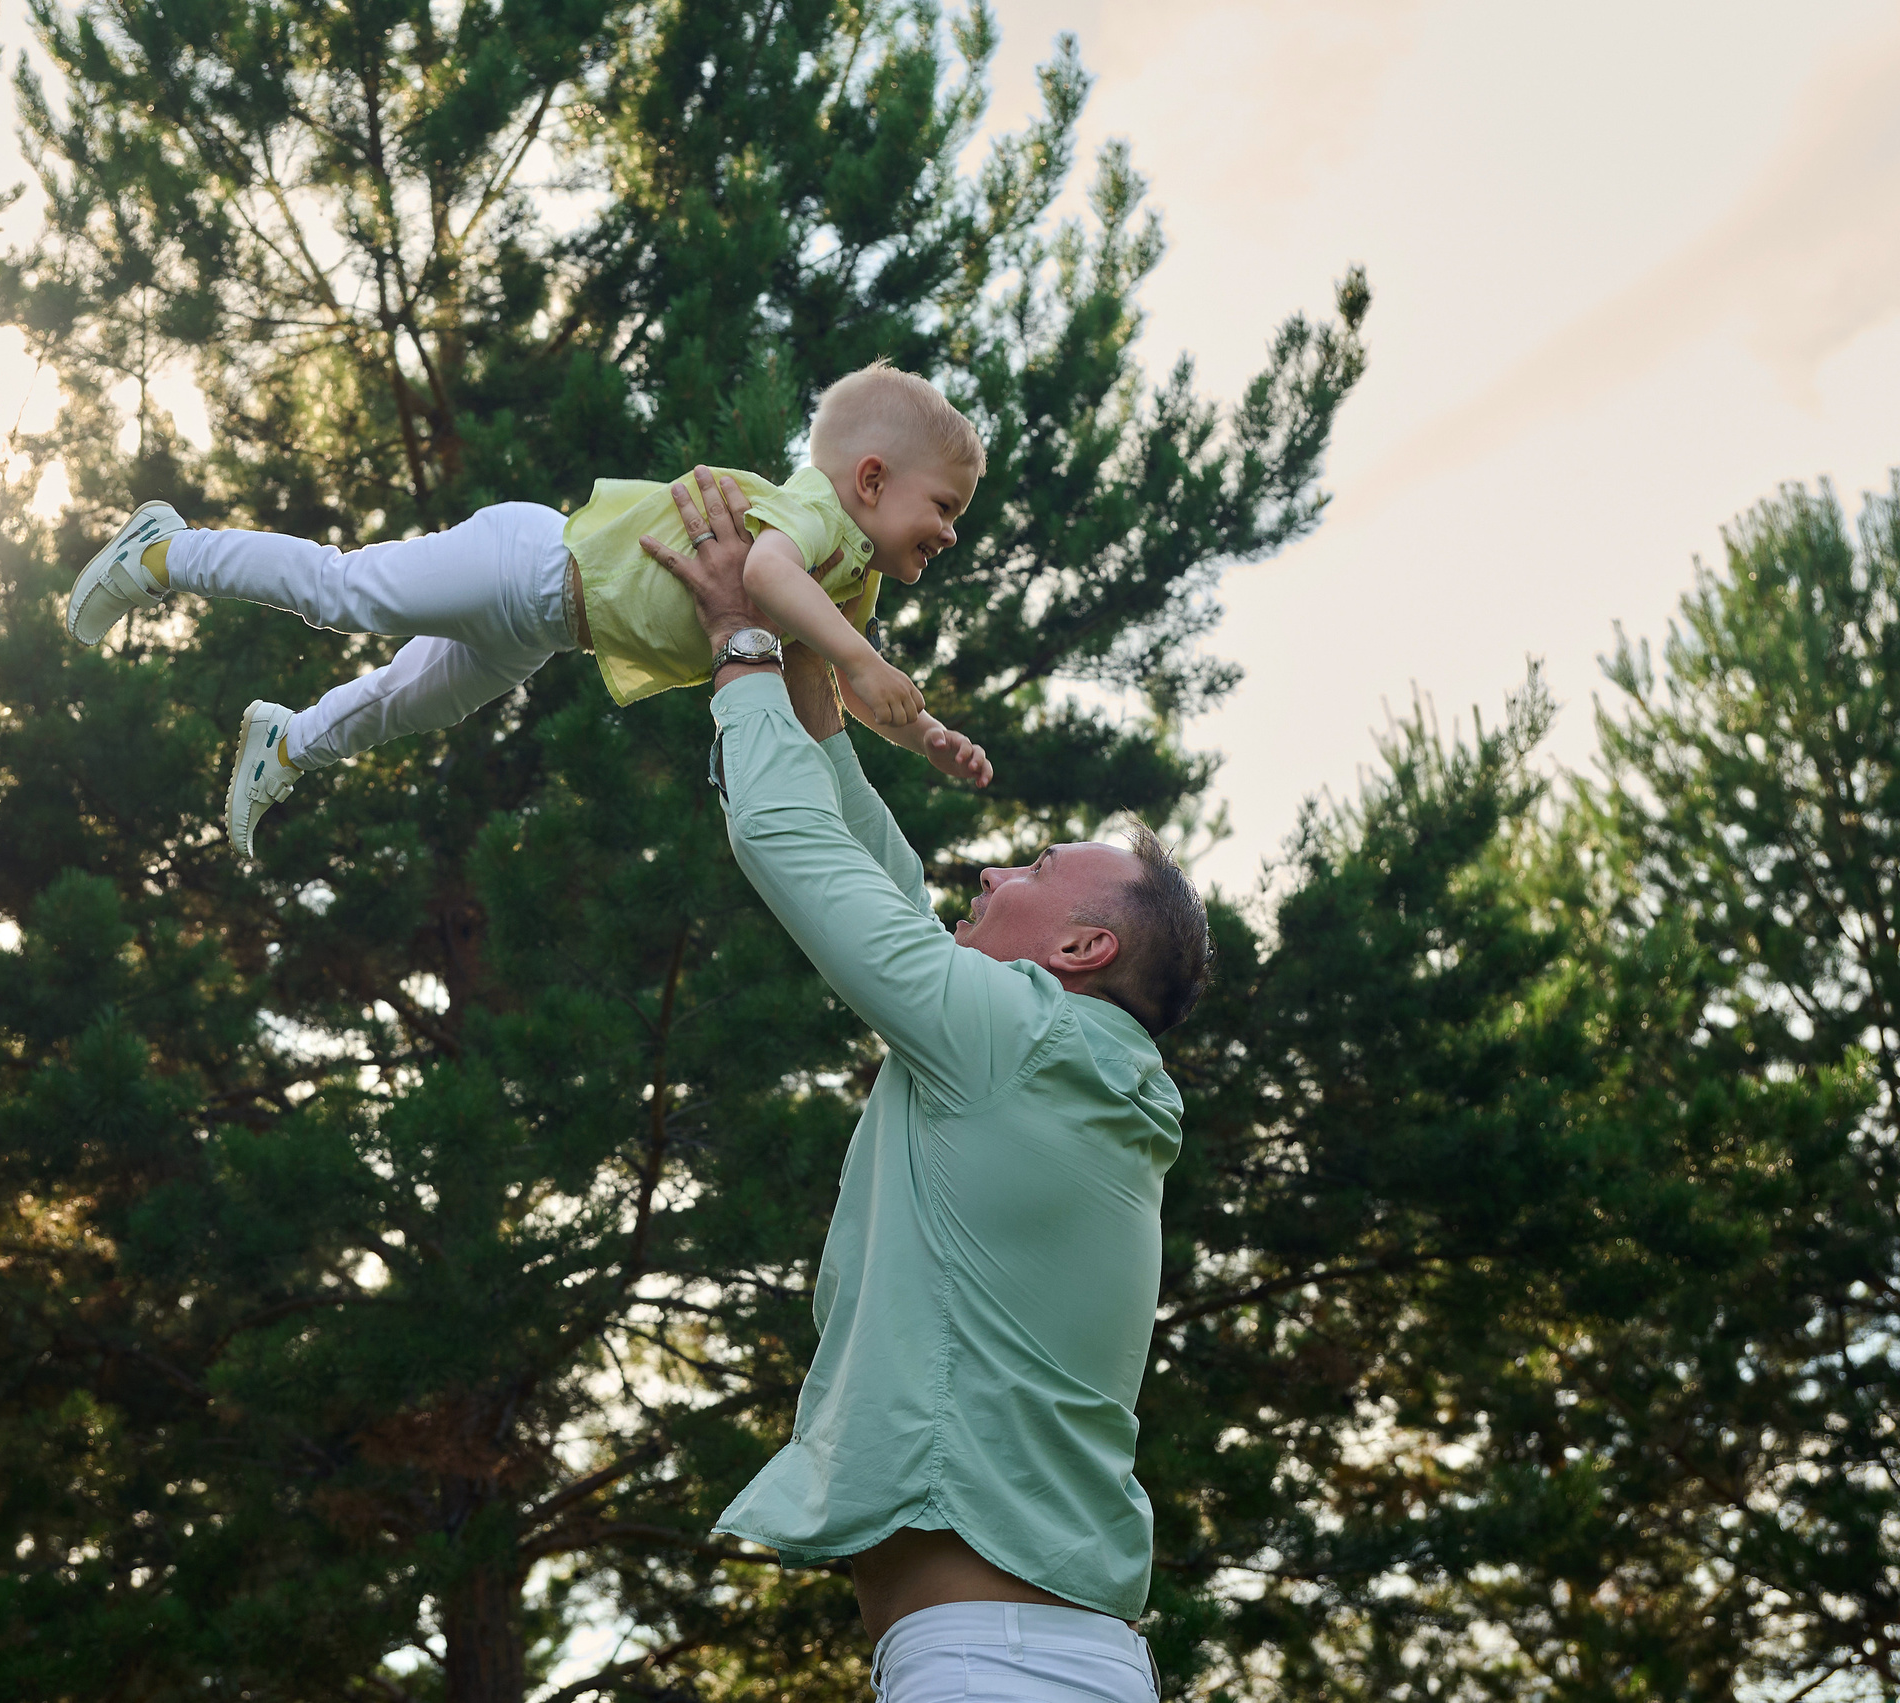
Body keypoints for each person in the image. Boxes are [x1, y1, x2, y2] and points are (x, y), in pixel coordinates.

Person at [638, 469, 1212, 1703]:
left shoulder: (1024, 1039)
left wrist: (740, 645)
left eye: (1038, 866)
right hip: (1036, 1661)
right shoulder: (1055, 1058)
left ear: (1080, 949)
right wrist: (810, 662)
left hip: (996, 1668)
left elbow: (795, 847)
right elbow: (884, 878)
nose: (997, 864)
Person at [59, 362, 991, 855]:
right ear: (870, 478)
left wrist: (925, 733)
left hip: (544, 626)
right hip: (526, 564)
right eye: (943, 506)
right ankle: (162, 550)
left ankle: (288, 741)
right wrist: (866, 661)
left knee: (405, 702)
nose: (949, 532)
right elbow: (767, 579)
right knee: (343, 591)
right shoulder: (818, 515)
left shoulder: (850, 580)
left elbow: (838, 687)